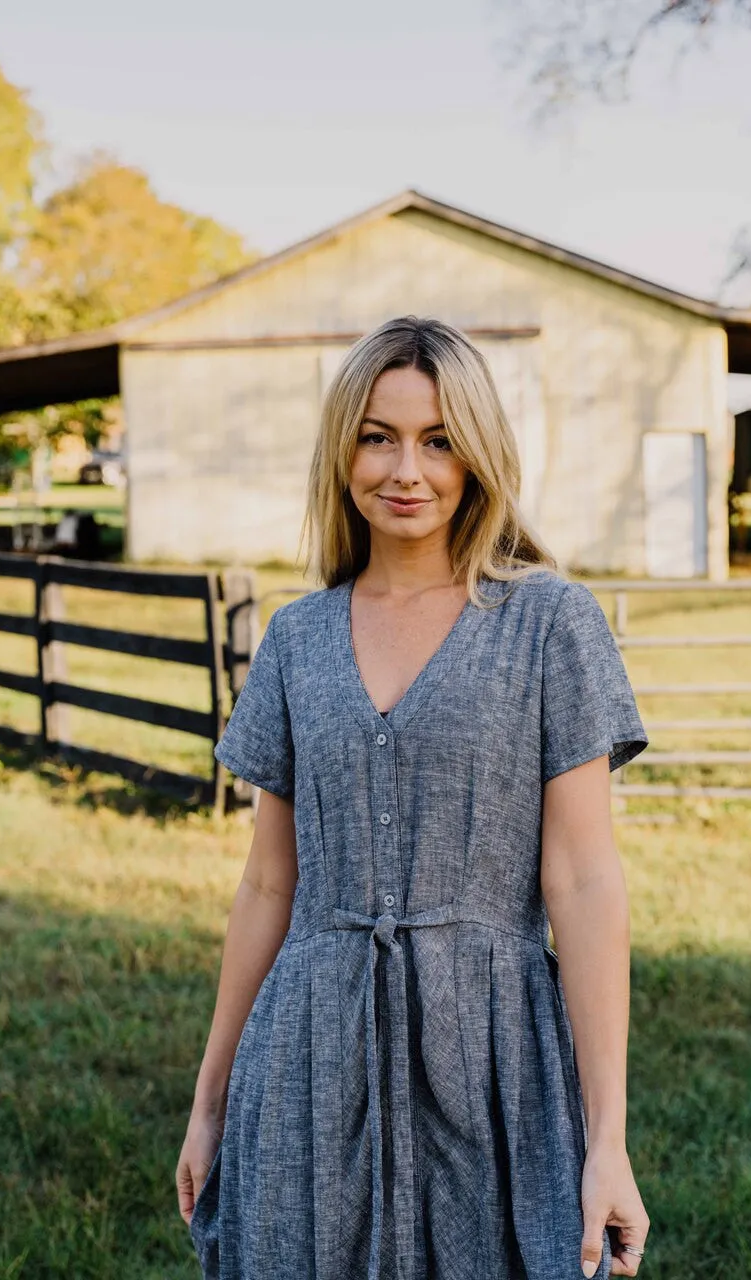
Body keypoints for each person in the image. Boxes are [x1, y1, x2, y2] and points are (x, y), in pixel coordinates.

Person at [176, 315, 651, 1279]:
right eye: (378, 436)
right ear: (342, 450)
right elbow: (270, 885)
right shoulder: (297, 639)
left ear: (477, 455)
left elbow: (585, 880)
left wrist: (609, 1138)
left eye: (438, 440)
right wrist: (211, 1095)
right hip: (308, 1056)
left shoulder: (548, 622)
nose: (407, 469)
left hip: (492, 1059)